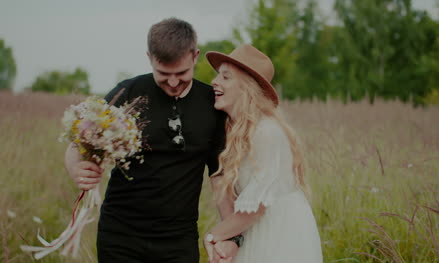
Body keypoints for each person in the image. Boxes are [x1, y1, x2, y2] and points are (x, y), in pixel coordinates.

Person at [64, 17, 240, 263]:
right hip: (120, 235)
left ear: (195, 56)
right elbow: (77, 144)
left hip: (178, 239)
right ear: (149, 58)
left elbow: (219, 175)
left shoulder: (213, 104)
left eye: (182, 73)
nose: (173, 82)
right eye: (163, 73)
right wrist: (76, 166)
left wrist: (230, 236)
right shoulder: (126, 93)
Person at [202, 44, 323, 263]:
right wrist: (229, 239)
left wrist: (214, 235)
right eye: (218, 75)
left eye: (226, 77)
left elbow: (255, 210)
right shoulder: (233, 130)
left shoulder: (266, 132)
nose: (215, 82)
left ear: (246, 88)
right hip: (253, 228)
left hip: (279, 232)